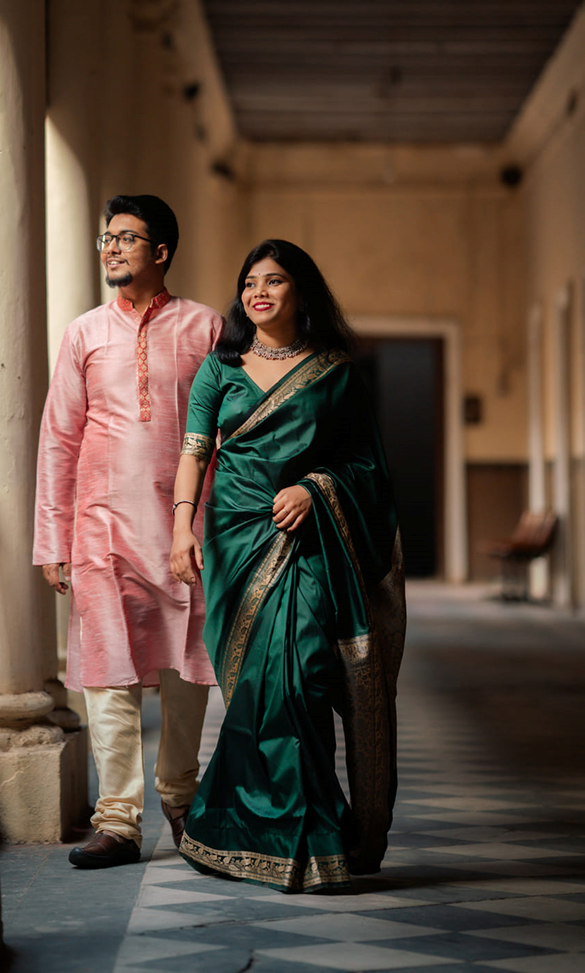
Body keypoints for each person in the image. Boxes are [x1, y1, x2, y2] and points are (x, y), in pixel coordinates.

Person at [169, 238, 405, 893]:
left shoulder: (335, 371)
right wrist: (180, 527)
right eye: (250, 282)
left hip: (308, 540)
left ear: (301, 291)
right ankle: (243, 831)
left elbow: (367, 467)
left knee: (300, 676)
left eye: (274, 281)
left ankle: (310, 833)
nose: (259, 292)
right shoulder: (219, 367)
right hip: (233, 538)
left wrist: (315, 487)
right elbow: (194, 453)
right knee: (251, 690)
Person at [34, 195, 223, 869]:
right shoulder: (84, 332)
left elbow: (224, 435)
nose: (111, 248)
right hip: (99, 528)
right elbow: (60, 436)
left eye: (126, 238)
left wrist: (215, 525)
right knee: (104, 670)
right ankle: (117, 819)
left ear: (161, 250)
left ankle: (179, 796)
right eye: (105, 238)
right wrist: (52, 538)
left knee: (187, 666)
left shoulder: (205, 327)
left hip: (184, 528)